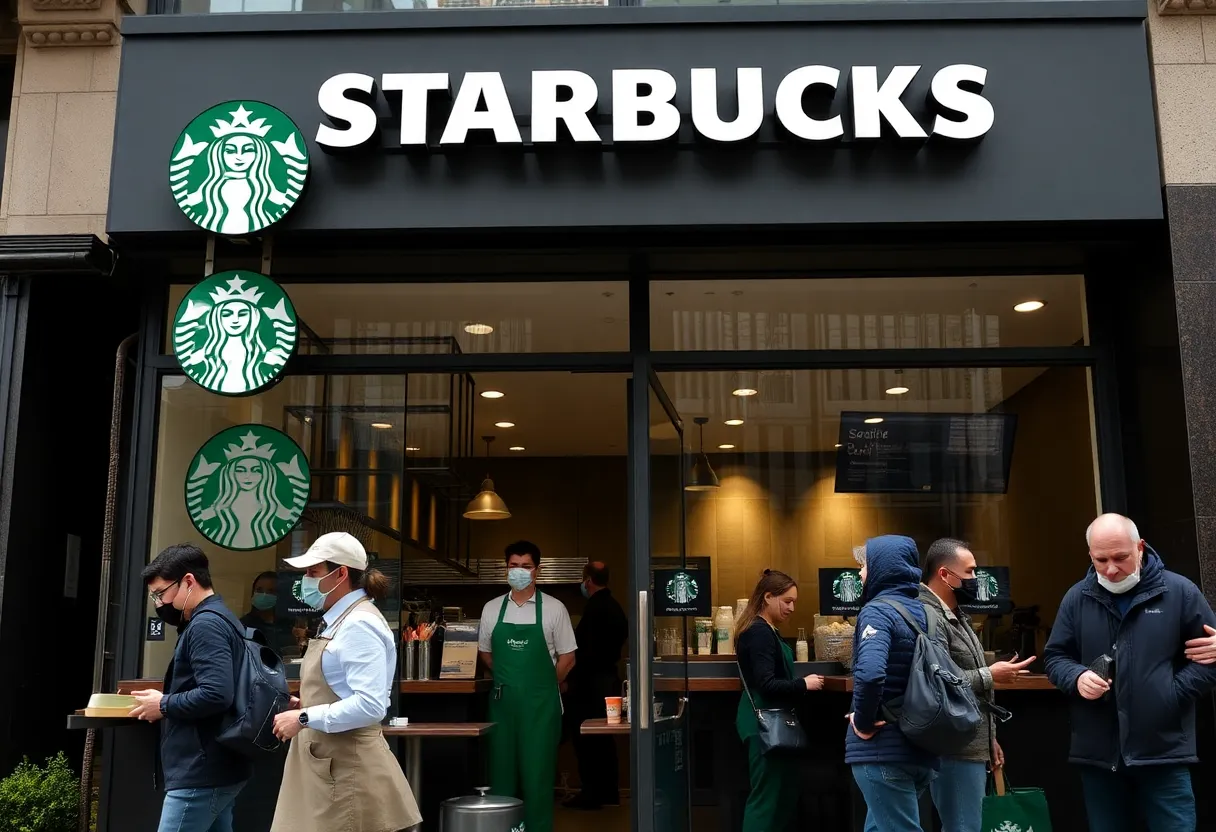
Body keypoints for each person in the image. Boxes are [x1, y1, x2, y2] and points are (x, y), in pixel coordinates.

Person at [1043, 513, 1216, 832]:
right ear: (1090, 556)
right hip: (1099, 755)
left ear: (1140, 547)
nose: (1110, 568)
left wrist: (1170, 694)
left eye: (1120, 557)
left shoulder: (1179, 592)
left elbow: (1210, 657)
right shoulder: (1077, 597)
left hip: (1163, 752)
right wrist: (1077, 677)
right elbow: (1055, 657)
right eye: (1101, 560)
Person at [268, 532, 421, 832]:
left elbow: (370, 704)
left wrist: (303, 716)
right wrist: (307, 704)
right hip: (327, 767)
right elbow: (343, 690)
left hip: (345, 772)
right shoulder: (340, 618)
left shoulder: (359, 623)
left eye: (313, 572)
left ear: (341, 574)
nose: (306, 580)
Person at [129, 544, 251, 832]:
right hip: (217, 766)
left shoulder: (205, 625)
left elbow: (216, 693)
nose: (159, 603)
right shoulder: (219, 618)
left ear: (188, 581)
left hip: (201, 770)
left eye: (160, 593)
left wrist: (162, 704)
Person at [920, 539, 1035, 832]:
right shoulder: (928, 616)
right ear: (945, 575)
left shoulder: (957, 615)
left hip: (970, 742)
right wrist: (990, 675)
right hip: (952, 745)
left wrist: (989, 740)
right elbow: (938, 679)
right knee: (963, 827)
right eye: (969, 572)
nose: (975, 579)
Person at [478, 540, 577, 832]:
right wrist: (511, 678)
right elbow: (485, 653)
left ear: (537, 570)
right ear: (505, 568)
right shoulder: (492, 608)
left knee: (537, 778)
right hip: (502, 705)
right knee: (501, 777)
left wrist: (544, 684)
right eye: (513, 566)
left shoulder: (554, 609)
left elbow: (568, 657)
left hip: (541, 708)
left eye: (526, 566)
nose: (518, 571)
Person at [846, 534, 938, 832]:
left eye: (864, 565)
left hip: (883, 750)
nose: (859, 573)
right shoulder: (926, 613)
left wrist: (863, 721)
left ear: (882, 567)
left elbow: (871, 674)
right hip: (920, 747)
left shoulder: (877, 611)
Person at [734, 569, 825, 832]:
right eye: (787, 601)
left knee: (781, 796)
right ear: (768, 597)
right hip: (764, 722)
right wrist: (803, 684)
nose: (792, 607)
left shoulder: (762, 630)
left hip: (768, 721)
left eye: (794, 601)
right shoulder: (760, 633)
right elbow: (767, 684)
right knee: (767, 799)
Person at [564, 561, 629, 810]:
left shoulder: (594, 609)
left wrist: (569, 679)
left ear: (588, 580)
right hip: (608, 682)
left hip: (589, 684)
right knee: (603, 738)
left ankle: (591, 793)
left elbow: (583, 651)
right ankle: (608, 791)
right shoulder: (615, 607)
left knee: (587, 738)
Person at [238, 571, 296, 656]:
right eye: (259, 590)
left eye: (271, 591)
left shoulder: (287, 625)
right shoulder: (243, 626)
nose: (264, 595)